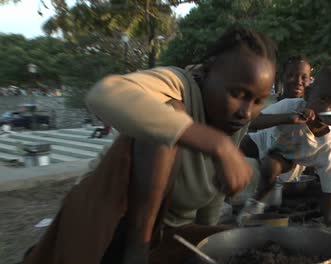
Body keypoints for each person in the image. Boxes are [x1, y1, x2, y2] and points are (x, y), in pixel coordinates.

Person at [23, 25, 277, 264]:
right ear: (206, 71)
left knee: (241, 241)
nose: (246, 112)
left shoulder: (234, 123)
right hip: (109, 221)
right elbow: (102, 94)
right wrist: (217, 144)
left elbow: (211, 194)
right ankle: (137, 252)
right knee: (171, 110)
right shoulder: (180, 84)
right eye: (237, 94)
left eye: (258, 101)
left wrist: (212, 243)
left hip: (169, 232)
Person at [239, 66, 331, 225]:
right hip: (264, 139)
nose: (326, 110)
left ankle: (255, 204)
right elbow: (255, 121)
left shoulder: (325, 144)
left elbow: (330, 182)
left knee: (270, 166)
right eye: (322, 99)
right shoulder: (289, 106)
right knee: (234, 146)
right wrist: (288, 118)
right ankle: (222, 197)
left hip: (286, 157)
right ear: (308, 94)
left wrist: (328, 218)